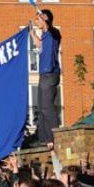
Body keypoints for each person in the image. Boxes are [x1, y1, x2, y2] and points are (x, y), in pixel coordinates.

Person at [28, 8, 62, 148]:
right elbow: (39, 44)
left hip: (50, 74)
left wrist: (44, 19)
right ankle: (44, 139)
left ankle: (55, 138)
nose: (37, 21)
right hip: (43, 75)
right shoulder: (45, 36)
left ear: (45, 19)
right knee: (41, 107)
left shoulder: (54, 34)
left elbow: (50, 30)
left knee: (47, 107)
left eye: (38, 19)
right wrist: (32, 32)